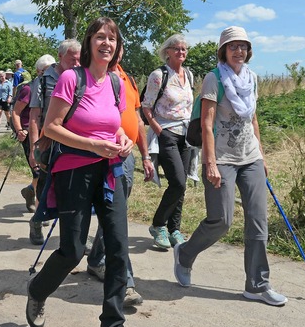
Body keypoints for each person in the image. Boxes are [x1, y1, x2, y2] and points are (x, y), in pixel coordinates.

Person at [25, 17, 133, 327]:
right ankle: (38, 290)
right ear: (88, 43)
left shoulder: (116, 83)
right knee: (72, 251)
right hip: (74, 171)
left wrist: (123, 139)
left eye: (112, 39)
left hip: (110, 171)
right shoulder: (72, 78)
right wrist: (93, 145)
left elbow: (116, 125)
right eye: (100, 37)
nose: (107, 43)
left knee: (118, 249)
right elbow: (51, 127)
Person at [173, 26, 288, 307]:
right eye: (233, 46)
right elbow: (207, 124)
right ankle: (185, 254)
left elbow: (253, 120)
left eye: (243, 46)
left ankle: (257, 285)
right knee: (221, 220)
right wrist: (209, 163)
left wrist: (261, 155)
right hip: (222, 159)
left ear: (249, 51)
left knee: (258, 221)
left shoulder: (253, 79)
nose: (239, 51)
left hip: (250, 158)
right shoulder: (214, 79)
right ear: (223, 50)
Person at [86, 46, 155, 308]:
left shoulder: (128, 78)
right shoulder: (93, 76)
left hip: (127, 158)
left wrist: (145, 156)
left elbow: (137, 120)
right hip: (102, 156)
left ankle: (95, 261)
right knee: (118, 219)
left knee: (115, 214)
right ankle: (125, 283)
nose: (113, 49)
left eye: (118, 44)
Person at [142, 34, 194, 250]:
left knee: (180, 185)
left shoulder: (189, 74)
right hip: (167, 133)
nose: (181, 52)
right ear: (168, 52)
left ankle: (174, 230)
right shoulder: (158, 75)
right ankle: (158, 224)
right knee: (178, 182)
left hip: (186, 135)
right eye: (177, 49)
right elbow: (146, 107)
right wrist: (159, 131)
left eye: (184, 49)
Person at [26, 39, 81, 244]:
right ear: (60, 56)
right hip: (48, 142)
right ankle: (37, 221)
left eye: (79, 59)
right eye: (72, 58)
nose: (76, 63)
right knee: (45, 186)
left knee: (72, 189)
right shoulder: (42, 80)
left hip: (73, 141)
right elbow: (34, 116)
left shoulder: (81, 77)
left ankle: (73, 237)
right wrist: (34, 148)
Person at [13, 54, 55, 219]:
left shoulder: (56, 87)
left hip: (50, 134)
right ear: (38, 72)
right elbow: (16, 112)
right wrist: (19, 130)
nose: (51, 73)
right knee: (38, 172)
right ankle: (40, 214)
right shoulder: (29, 89)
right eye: (46, 70)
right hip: (30, 133)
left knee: (46, 174)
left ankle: (30, 191)